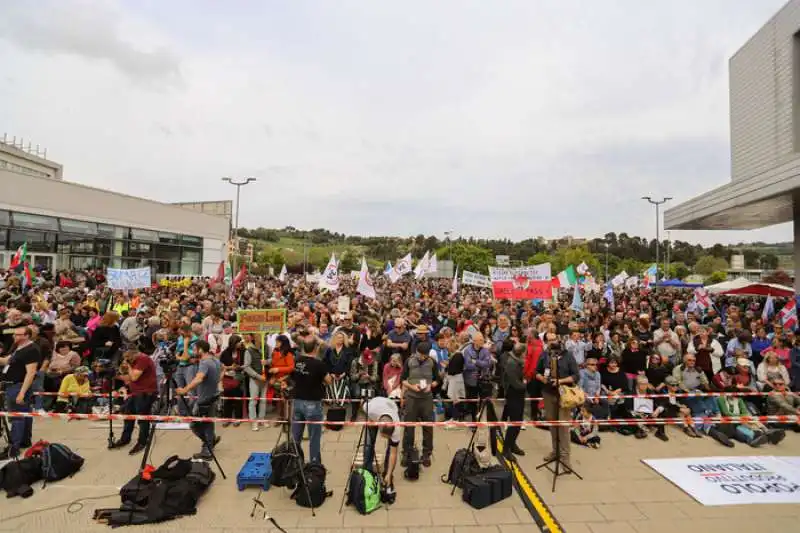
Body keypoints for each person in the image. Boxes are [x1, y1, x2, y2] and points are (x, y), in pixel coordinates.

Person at [535, 332, 579, 469]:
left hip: (564, 395)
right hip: (548, 393)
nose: (552, 342)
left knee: (564, 428)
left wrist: (561, 381)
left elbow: (576, 375)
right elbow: (537, 372)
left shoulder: (568, 355)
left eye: (554, 339)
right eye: (549, 340)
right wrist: (542, 378)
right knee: (553, 425)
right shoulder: (544, 355)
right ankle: (555, 451)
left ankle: (565, 458)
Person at [176, 340, 222, 461]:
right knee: (208, 423)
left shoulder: (204, 363)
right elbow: (222, 370)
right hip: (214, 396)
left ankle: (207, 448)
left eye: (194, 349)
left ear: (201, 350)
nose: (193, 351)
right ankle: (211, 440)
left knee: (195, 425)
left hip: (205, 399)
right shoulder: (215, 360)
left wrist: (184, 390)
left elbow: (198, 379)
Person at [0, 326, 42, 459]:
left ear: (27, 336)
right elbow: (8, 361)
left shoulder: (31, 350)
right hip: (12, 385)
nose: (15, 337)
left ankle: (14, 447)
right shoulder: (18, 347)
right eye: (15, 334)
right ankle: (24, 440)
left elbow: (30, 373)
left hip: (18, 386)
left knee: (16, 417)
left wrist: (22, 393)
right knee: (24, 414)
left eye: (18, 335)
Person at [289, 336, 331, 464]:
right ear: (316, 348)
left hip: (297, 401)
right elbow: (328, 381)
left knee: (296, 436)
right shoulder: (319, 364)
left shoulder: (297, 360)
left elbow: (292, 377)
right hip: (312, 403)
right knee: (314, 437)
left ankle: (295, 462)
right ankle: (314, 465)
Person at [113, 349, 158, 455]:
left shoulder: (143, 359)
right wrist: (115, 375)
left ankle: (142, 441)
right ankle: (125, 439)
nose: (126, 360)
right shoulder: (135, 361)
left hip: (146, 392)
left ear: (134, 354)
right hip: (135, 392)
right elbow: (130, 378)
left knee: (142, 418)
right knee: (128, 415)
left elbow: (134, 376)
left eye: (127, 358)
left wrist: (128, 365)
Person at [401, 341, 438, 468]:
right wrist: (412, 386)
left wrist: (431, 386)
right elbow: (403, 380)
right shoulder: (409, 361)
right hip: (412, 398)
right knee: (409, 427)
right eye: (419, 354)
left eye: (423, 355)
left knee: (428, 426)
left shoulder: (432, 362)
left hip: (426, 399)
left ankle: (427, 453)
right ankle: (407, 452)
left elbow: (437, 379)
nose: (421, 357)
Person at [361, 395, 400, 489]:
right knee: (368, 444)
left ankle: (387, 474)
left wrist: (389, 474)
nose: (384, 439)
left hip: (391, 406)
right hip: (374, 410)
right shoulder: (369, 408)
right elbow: (361, 402)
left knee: (390, 449)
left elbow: (393, 453)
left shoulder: (397, 427)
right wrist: (369, 418)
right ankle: (367, 471)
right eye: (384, 436)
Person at [502, 343, 527, 458]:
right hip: (513, 395)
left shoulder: (518, 362)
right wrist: (525, 384)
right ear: (521, 353)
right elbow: (516, 384)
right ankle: (506, 448)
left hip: (519, 395)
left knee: (518, 422)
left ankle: (512, 444)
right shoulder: (512, 364)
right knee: (514, 422)